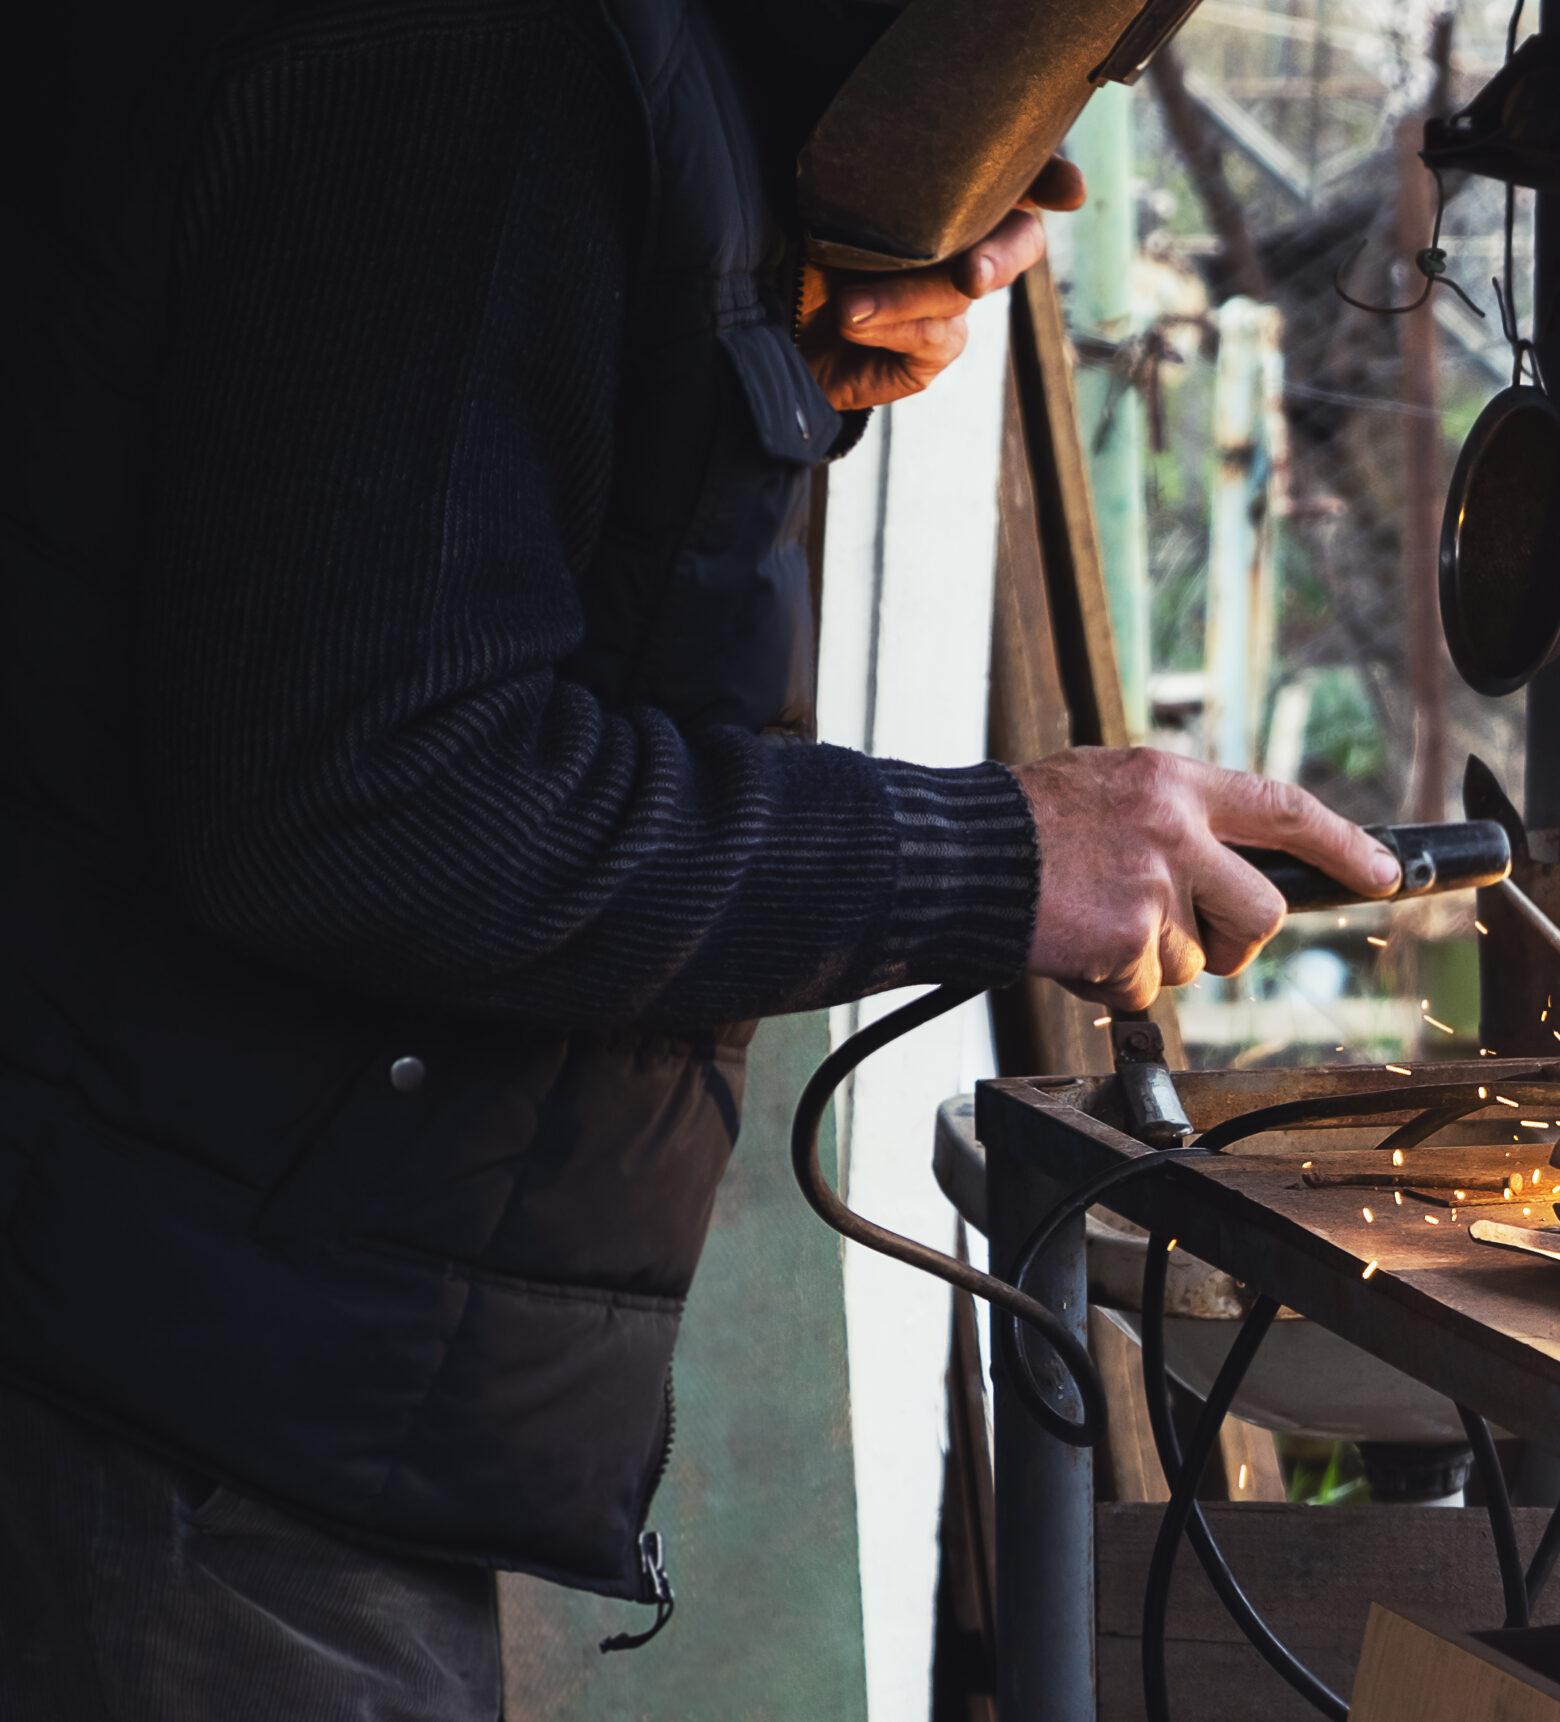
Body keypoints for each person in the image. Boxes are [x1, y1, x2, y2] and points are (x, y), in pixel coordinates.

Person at [0, 1, 1397, 1714]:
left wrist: (754, 365)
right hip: (170, 1420)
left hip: (235, 1383)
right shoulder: (470, 58)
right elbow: (370, 794)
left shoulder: (591, 86)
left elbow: (393, 527)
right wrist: (1000, 851)